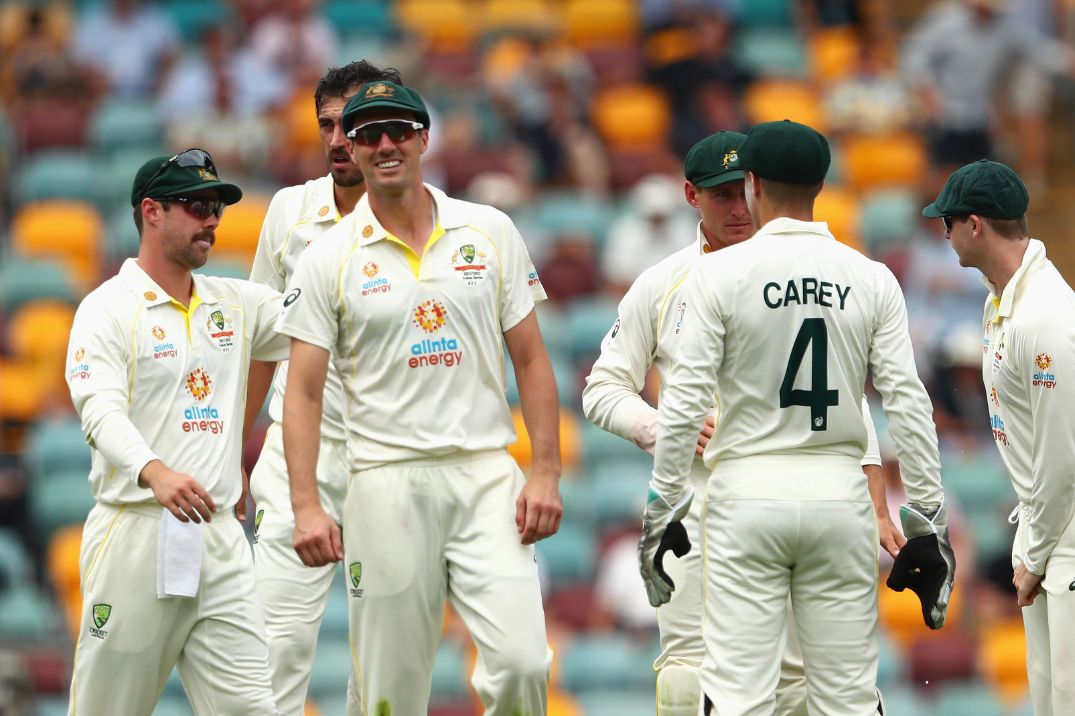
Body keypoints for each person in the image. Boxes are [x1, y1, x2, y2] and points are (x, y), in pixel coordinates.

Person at [639, 120, 952, 715]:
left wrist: (664, 505)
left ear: (752, 183)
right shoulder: (870, 276)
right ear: (821, 184)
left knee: (739, 699)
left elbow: (684, 403)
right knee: (847, 700)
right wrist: (928, 521)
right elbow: (907, 402)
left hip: (747, 497)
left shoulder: (717, 273)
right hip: (839, 498)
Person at [584, 131, 900, 716]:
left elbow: (840, 403)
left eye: (741, 192)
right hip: (695, 499)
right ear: (690, 196)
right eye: (719, 195)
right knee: (688, 673)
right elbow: (603, 387)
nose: (736, 209)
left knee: (805, 681)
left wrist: (876, 501)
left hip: (785, 492)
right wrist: (658, 426)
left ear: (759, 187)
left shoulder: (808, 273)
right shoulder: (662, 283)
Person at [277, 81, 562, 715]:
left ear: (424, 138)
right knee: (390, 694)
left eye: (399, 130)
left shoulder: (488, 230)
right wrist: (305, 505)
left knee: (522, 664)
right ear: (349, 147)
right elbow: (301, 391)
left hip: (486, 474)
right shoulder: (327, 255)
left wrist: (544, 469)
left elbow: (533, 358)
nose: (385, 144)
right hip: (385, 482)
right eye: (368, 133)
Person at [64, 149, 288, 714]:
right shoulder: (107, 308)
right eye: (196, 206)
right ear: (151, 212)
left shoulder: (235, 303)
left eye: (216, 207)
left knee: (253, 709)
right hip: (138, 529)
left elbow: (324, 320)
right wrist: (154, 471)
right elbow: (98, 409)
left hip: (217, 537)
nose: (212, 219)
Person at [242, 59, 403, 715]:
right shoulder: (288, 211)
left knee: (386, 658)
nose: (338, 139)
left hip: (389, 454)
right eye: (327, 125)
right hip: (294, 452)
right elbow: (257, 338)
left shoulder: (426, 217)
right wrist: (231, 454)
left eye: (353, 125)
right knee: (272, 648)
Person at [923, 159, 1075, 714]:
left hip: (1066, 539)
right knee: (1050, 699)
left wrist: (1035, 552)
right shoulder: (1002, 304)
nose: (944, 233)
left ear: (976, 225)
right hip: (1050, 532)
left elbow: (1064, 455)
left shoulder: (1045, 318)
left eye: (949, 221)